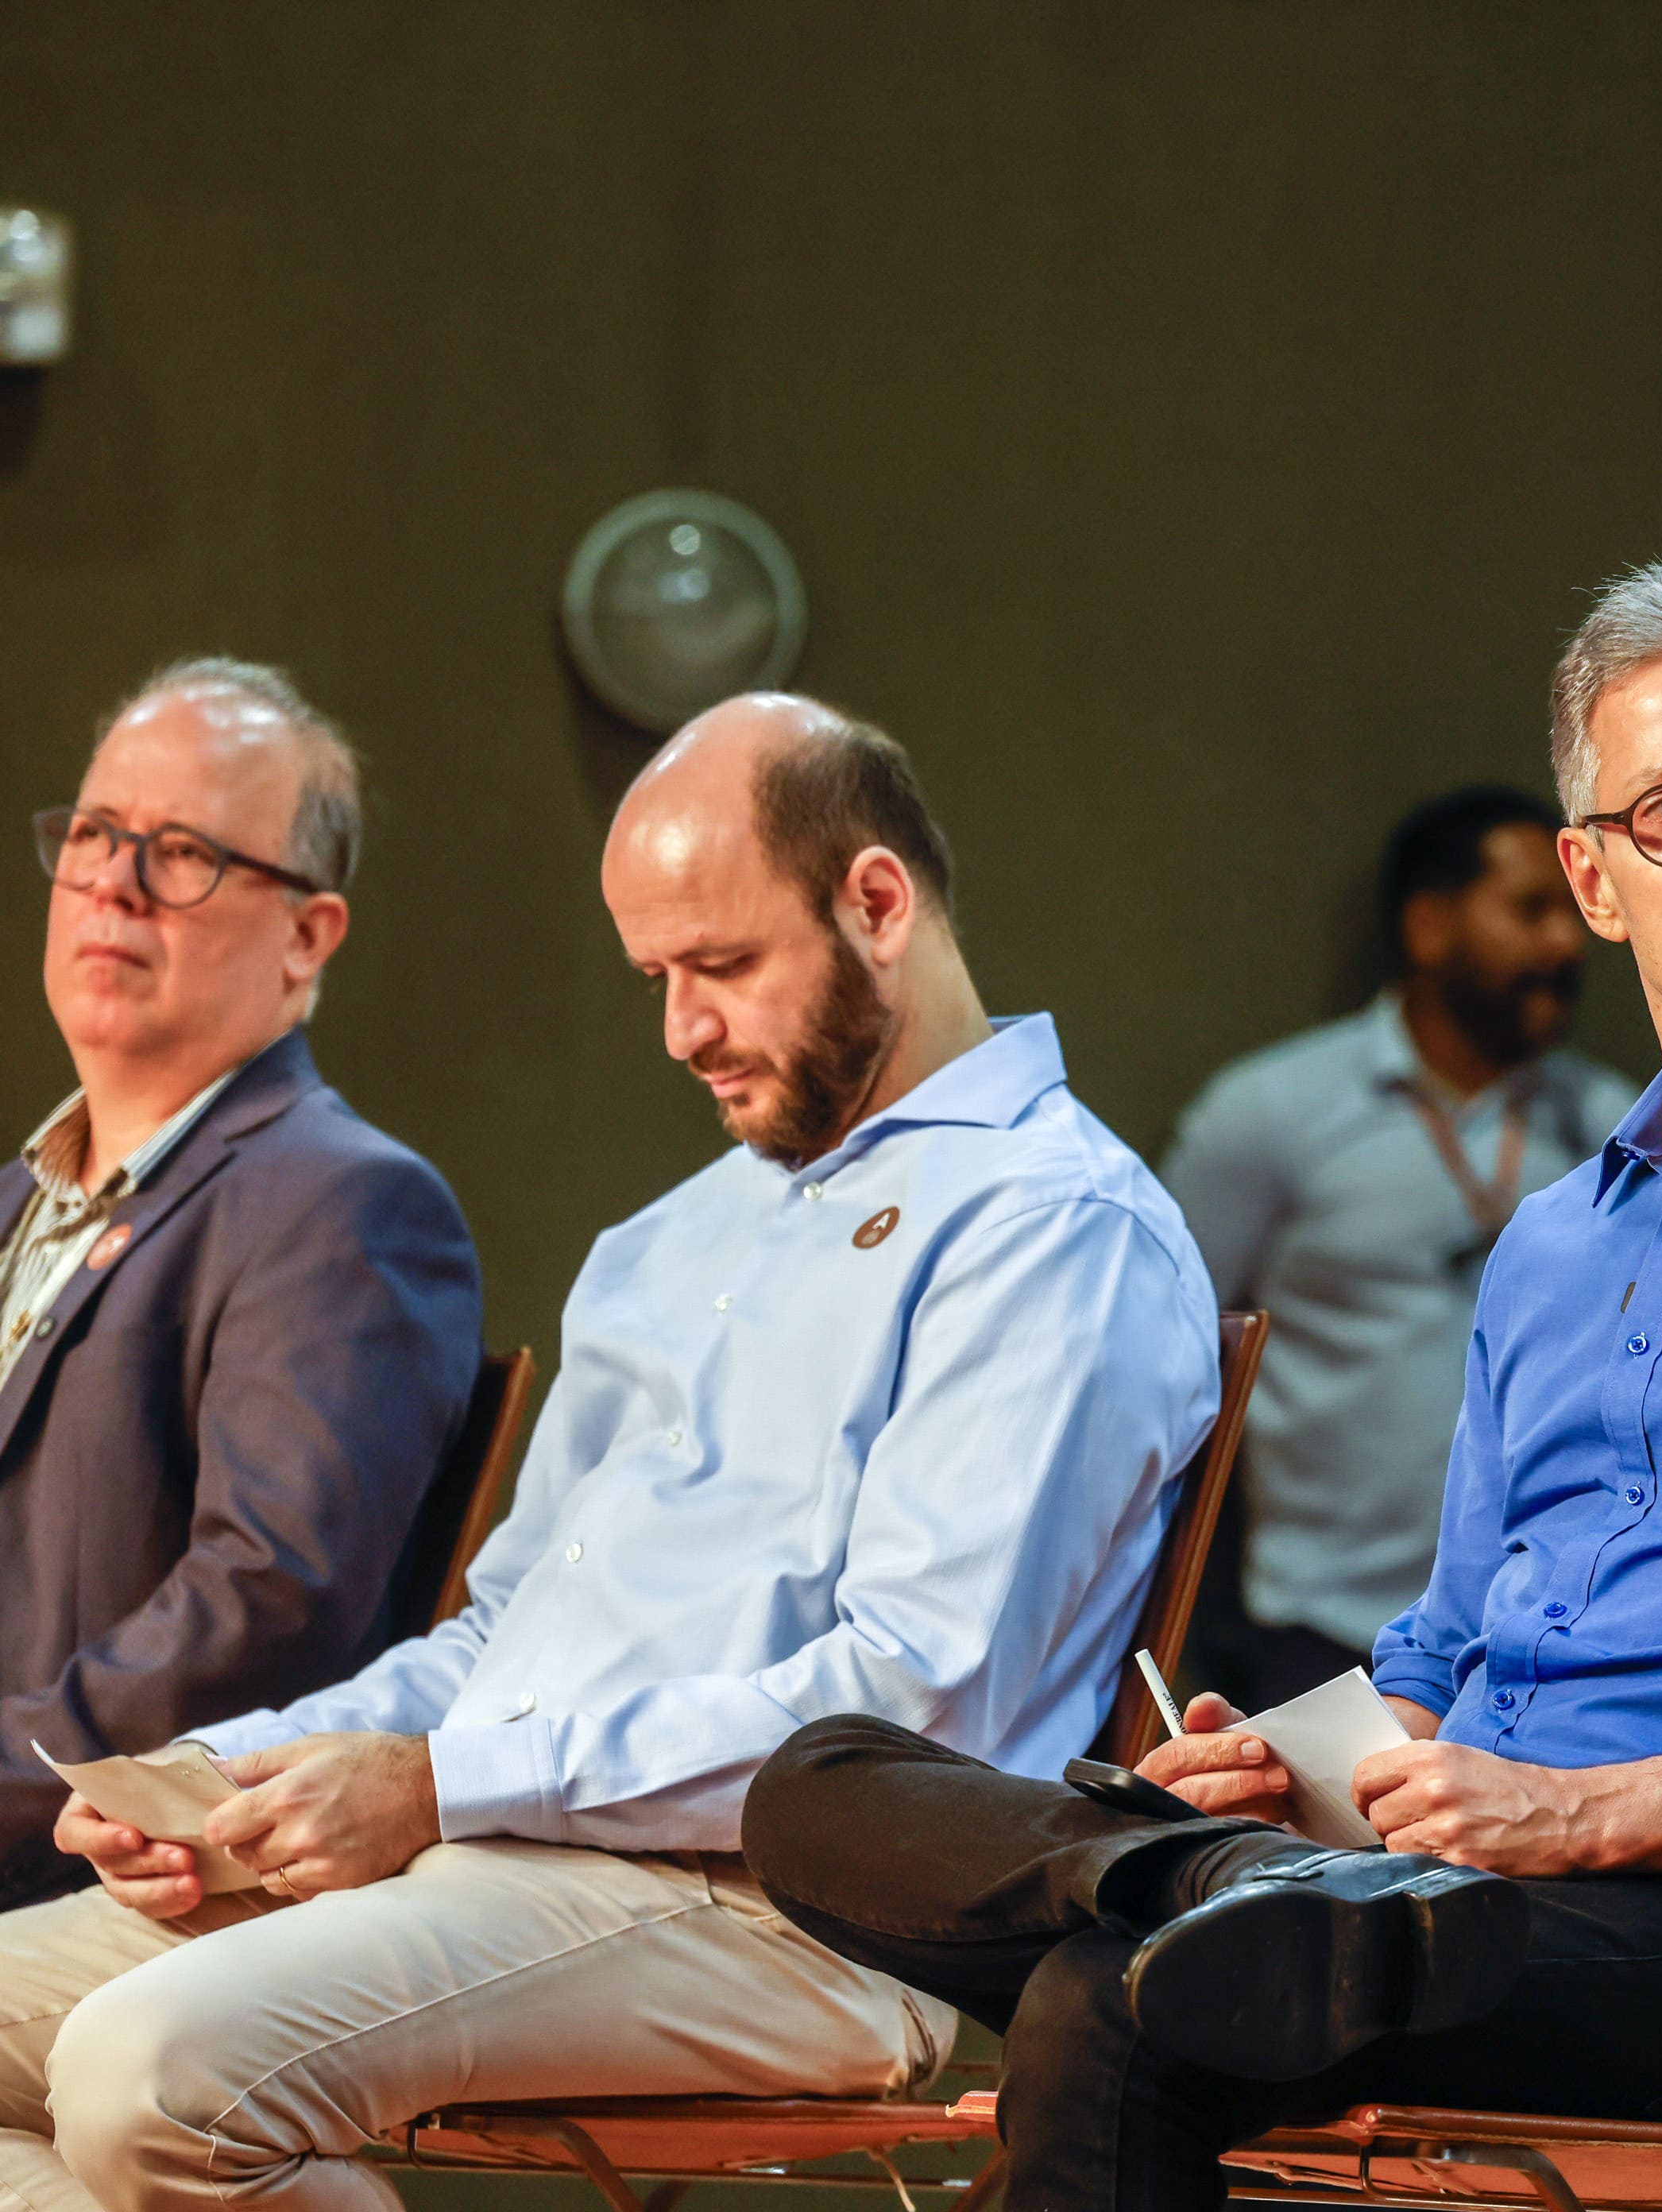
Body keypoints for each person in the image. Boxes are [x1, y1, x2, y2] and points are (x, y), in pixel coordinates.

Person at [740, 558, 1662, 2210]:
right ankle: (1210, 1869)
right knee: (821, 1785)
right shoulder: (1557, 1240)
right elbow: (1440, 1657)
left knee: (1116, 2002)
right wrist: (1280, 1770)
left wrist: (1572, 1816)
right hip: (1442, 1879)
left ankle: (1226, 1899)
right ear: (1595, 878)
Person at [0, 694, 1220, 2212]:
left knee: (145, 2072)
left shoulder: (1053, 1225)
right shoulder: (667, 1237)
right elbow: (499, 1638)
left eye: (723, 965)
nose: (681, 1030)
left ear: (877, 902)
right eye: (656, 977)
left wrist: (443, 1784)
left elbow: (916, 1715)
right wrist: (216, 1773)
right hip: (498, 1852)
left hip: (809, 1915)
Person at [1, 659, 479, 1909]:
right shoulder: (12, 1203)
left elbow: (261, 1611)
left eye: (181, 853)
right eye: (94, 835)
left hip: (100, 1885)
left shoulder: (346, 1205)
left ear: (307, 935)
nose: (112, 883)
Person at [1163, 783, 1636, 1711]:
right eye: (1531, 909)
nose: (1567, 944)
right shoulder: (1272, 1114)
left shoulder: (1614, 1125)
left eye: (1575, 913)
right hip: (1325, 1626)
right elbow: (1161, 1355)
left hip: (1548, 1628)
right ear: (1428, 927)